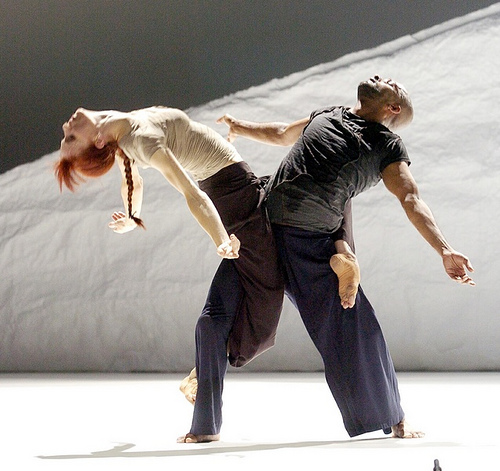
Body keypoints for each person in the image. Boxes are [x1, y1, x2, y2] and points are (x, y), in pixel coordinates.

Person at [54, 105, 360, 443]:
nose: (66, 127)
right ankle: (211, 371)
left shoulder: (118, 129)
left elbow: (132, 179)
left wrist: (132, 216)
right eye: (71, 138)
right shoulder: (141, 140)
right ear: (97, 140)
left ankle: (204, 417)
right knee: (264, 308)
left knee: (212, 322)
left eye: (66, 137)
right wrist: (221, 239)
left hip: (235, 193)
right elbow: (192, 194)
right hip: (236, 200)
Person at [216, 75, 475, 440]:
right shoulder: (328, 114)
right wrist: (239, 127)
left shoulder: (385, 145)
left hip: (308, 243)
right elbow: (282, 133)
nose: (380, 78)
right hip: (262, 228)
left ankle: (392, 416)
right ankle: (203, 391)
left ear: (392, 107)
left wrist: (444, 248)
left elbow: (410, 198)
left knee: (355, 326)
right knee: (226, 316)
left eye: (391, 83)